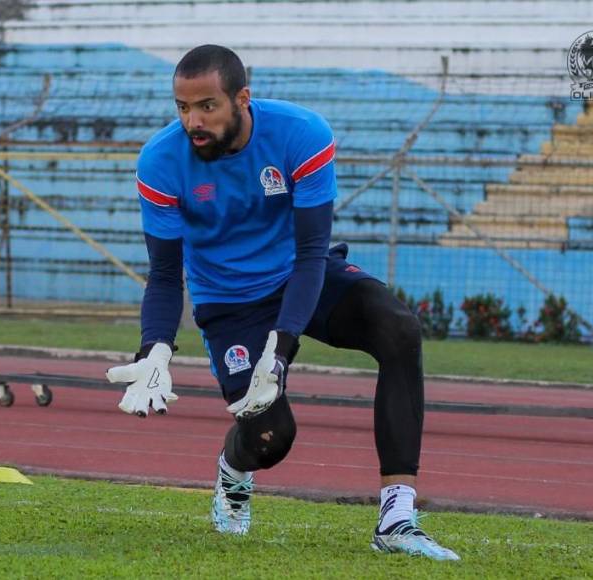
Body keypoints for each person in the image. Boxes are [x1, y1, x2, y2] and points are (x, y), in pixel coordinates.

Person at [105, 45, 459, 560]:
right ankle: (233, 472)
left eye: (207, 106)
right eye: (182, 108)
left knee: (398, 326)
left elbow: (314, 252)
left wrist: (284, 347)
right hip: (230, 302)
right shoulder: (160, 161)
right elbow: (163, 274)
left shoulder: (301, 134)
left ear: (242, 99)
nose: (192, 122)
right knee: (271, 436)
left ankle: (397, 517)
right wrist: (154, 349)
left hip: (301, 277)